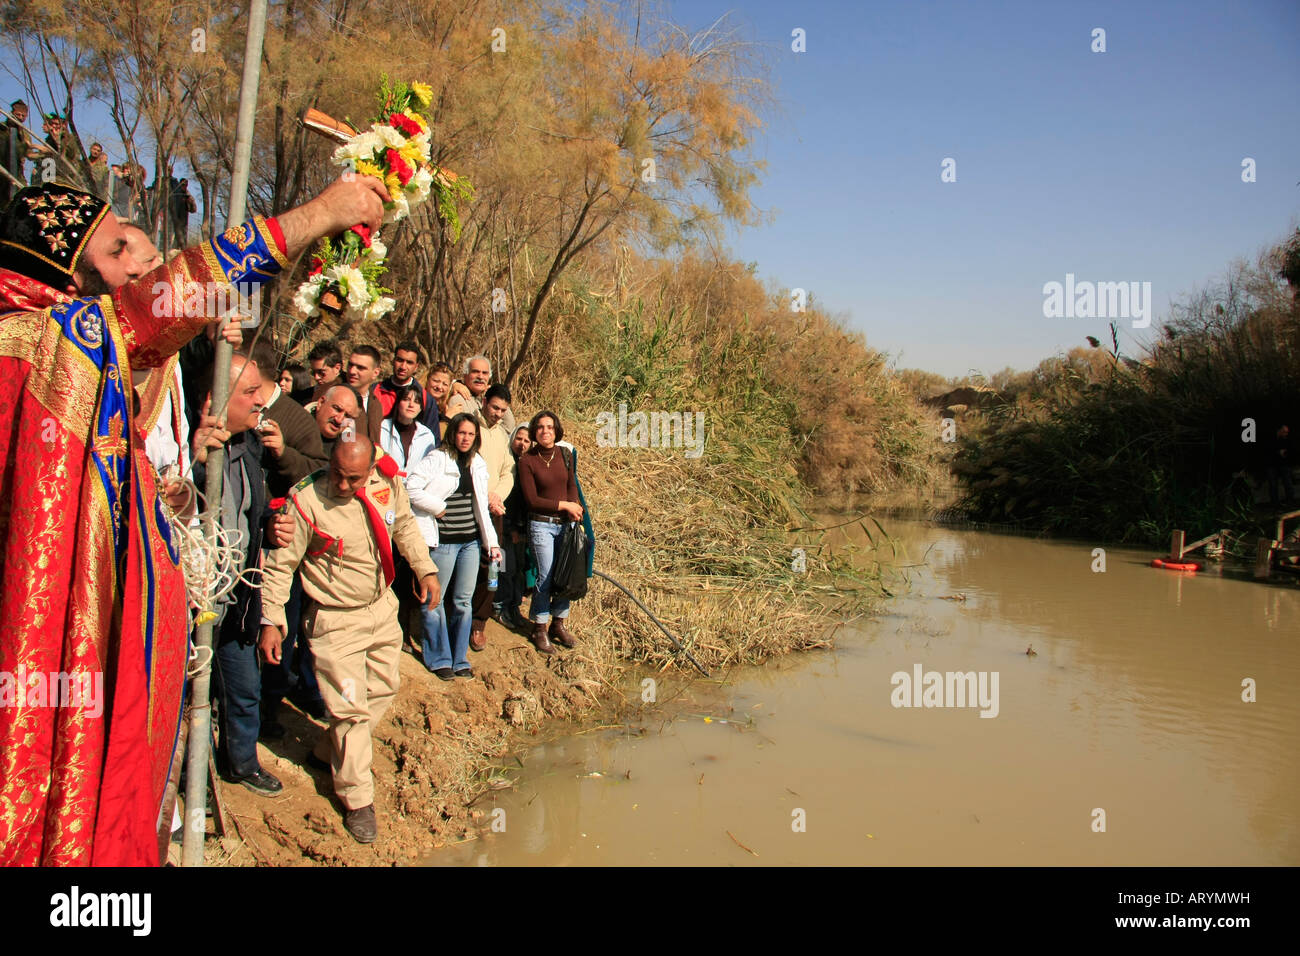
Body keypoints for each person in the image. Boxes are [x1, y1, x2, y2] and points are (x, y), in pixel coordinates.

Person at [0, 173, 391, 865]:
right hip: (62, 656)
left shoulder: (43, 349)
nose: (141, 263)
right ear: (68, 273)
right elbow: (174, 294)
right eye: (120, 249)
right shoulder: (60, 336)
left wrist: (156, 489)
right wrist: (321, 214)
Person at [258, 436, 441, 844]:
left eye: (353, 479)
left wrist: (425, 569)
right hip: (334, 621)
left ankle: (327, 753)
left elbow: (405, 525)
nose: (343, 486)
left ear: (369, 471)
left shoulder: (384, 484)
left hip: (380, 609)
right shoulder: (305, 503)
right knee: (351, 711)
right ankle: (358, 800)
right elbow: (279, 566)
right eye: (337, 475)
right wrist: (271, 619)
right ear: (329, 461)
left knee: (384, 688)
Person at [191, 355, 283, 796]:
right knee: (192, 698)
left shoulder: (249, 448)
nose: (261, 400)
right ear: (215, 399)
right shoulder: (190, 450)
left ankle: (242, 763)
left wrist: (268, 527)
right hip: (197, 597)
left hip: (238, 594)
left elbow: (249, 513)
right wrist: (194, 461)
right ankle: (193, 780)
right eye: (249, 393)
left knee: (244, 688)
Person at [406, 412, 501, 680]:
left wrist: (490, 542)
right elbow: (411, 488)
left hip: (470, 542)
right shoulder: (437, 458)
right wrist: (437, 508)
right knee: (434, 600)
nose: (465, 438)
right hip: (444, 542)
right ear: (453, 434)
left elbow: (481, 507)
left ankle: (459, 658)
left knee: (462, 601)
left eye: (471, 434)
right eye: (462, 433)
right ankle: (438, 658)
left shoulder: (477, 463)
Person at [517, 411, 583, 654]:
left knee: (563, 573)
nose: (545, 431)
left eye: (550, 427)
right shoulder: (527, 461)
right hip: (541, 524)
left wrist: (574, 505)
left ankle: (559, 623)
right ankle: (540, 628)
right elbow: (532, 500)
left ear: (556, 431)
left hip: (565, 524)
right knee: (545, 575)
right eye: (541, 428)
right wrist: (564, 505)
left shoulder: (565, 454)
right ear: (535, 432)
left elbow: (570, 484)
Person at [469, 384, 517, 650]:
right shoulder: (468, 426)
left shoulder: (502, 436)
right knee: (466, 565)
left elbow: (508, 472)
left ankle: (479, 622)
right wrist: (484, 494)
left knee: (493, 567)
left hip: (494, 509)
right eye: (495, 407)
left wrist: (497, 496)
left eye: (503, 410)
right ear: (484, 402)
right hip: (467, 507)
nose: (498, 414)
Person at [249, 340, 327, 499]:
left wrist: (283, 452)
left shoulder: (349, 428)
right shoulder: (233, 405)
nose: (340, 418)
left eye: (322, 372)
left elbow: (318, 474)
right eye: (314, 372)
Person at [497, 424, 534, 631]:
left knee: (518, 569)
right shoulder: (507, 465)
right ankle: (499, 606)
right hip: (504, 526)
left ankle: (514, 607)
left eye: (527, 441)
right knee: (504, 569)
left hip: (521, 529)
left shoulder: (527, 466)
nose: (522, 444)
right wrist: (509, 527)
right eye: (519, 439)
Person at [445, 354, 517, 434]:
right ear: (465, 375)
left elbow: (508, 427)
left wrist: (495, 394)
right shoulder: (459, 399)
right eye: (475, 372)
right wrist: (455, 383)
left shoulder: (482, 400)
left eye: (485, 373)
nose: (480, 377)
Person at [378, 382, 438, 472]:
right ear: (398, 403)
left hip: (415, 485)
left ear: (420, 408)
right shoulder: (382, 429)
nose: (411, 405)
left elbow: (428, 469)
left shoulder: (427, 436)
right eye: (406, 399)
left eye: (416, 402)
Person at [372, 340, 421, 418]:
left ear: (416, 367)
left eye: (409, 362)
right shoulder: (374, 390)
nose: (403, 367)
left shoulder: (424, 397)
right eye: (400, 360)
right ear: (393, 361)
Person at [315, 383, 363, 459]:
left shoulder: (346, 452)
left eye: (347, 416)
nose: (339, 420)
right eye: (337, 409)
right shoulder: (294, 425)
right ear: (321, 403)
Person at [346, 345, 384, 437]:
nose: (352, 371)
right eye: (350, 365)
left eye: (360, 367)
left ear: (375, 373)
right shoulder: (336, 397)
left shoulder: (375, 404)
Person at [420, 360, 454, 439]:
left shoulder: (443, 406)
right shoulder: (418, 402)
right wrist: (446, 418)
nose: (439, 387)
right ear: (427, 380)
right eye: (436, 381)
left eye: (445, 384)